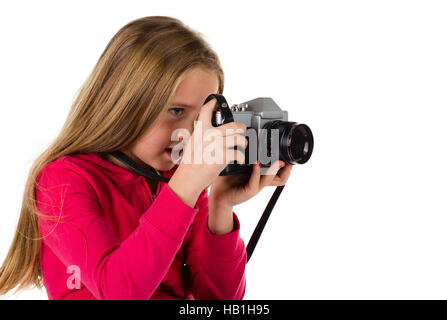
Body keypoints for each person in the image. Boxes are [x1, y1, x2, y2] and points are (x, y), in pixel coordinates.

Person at [0, 16, 293, 300]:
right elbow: (119, 291)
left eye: (202, 117)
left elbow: (218, 300)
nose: (190, 133)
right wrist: (186, 185)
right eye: (176, 111)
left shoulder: (178, 178)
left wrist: (220, 206)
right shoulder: (63, 179)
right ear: (125, 104)